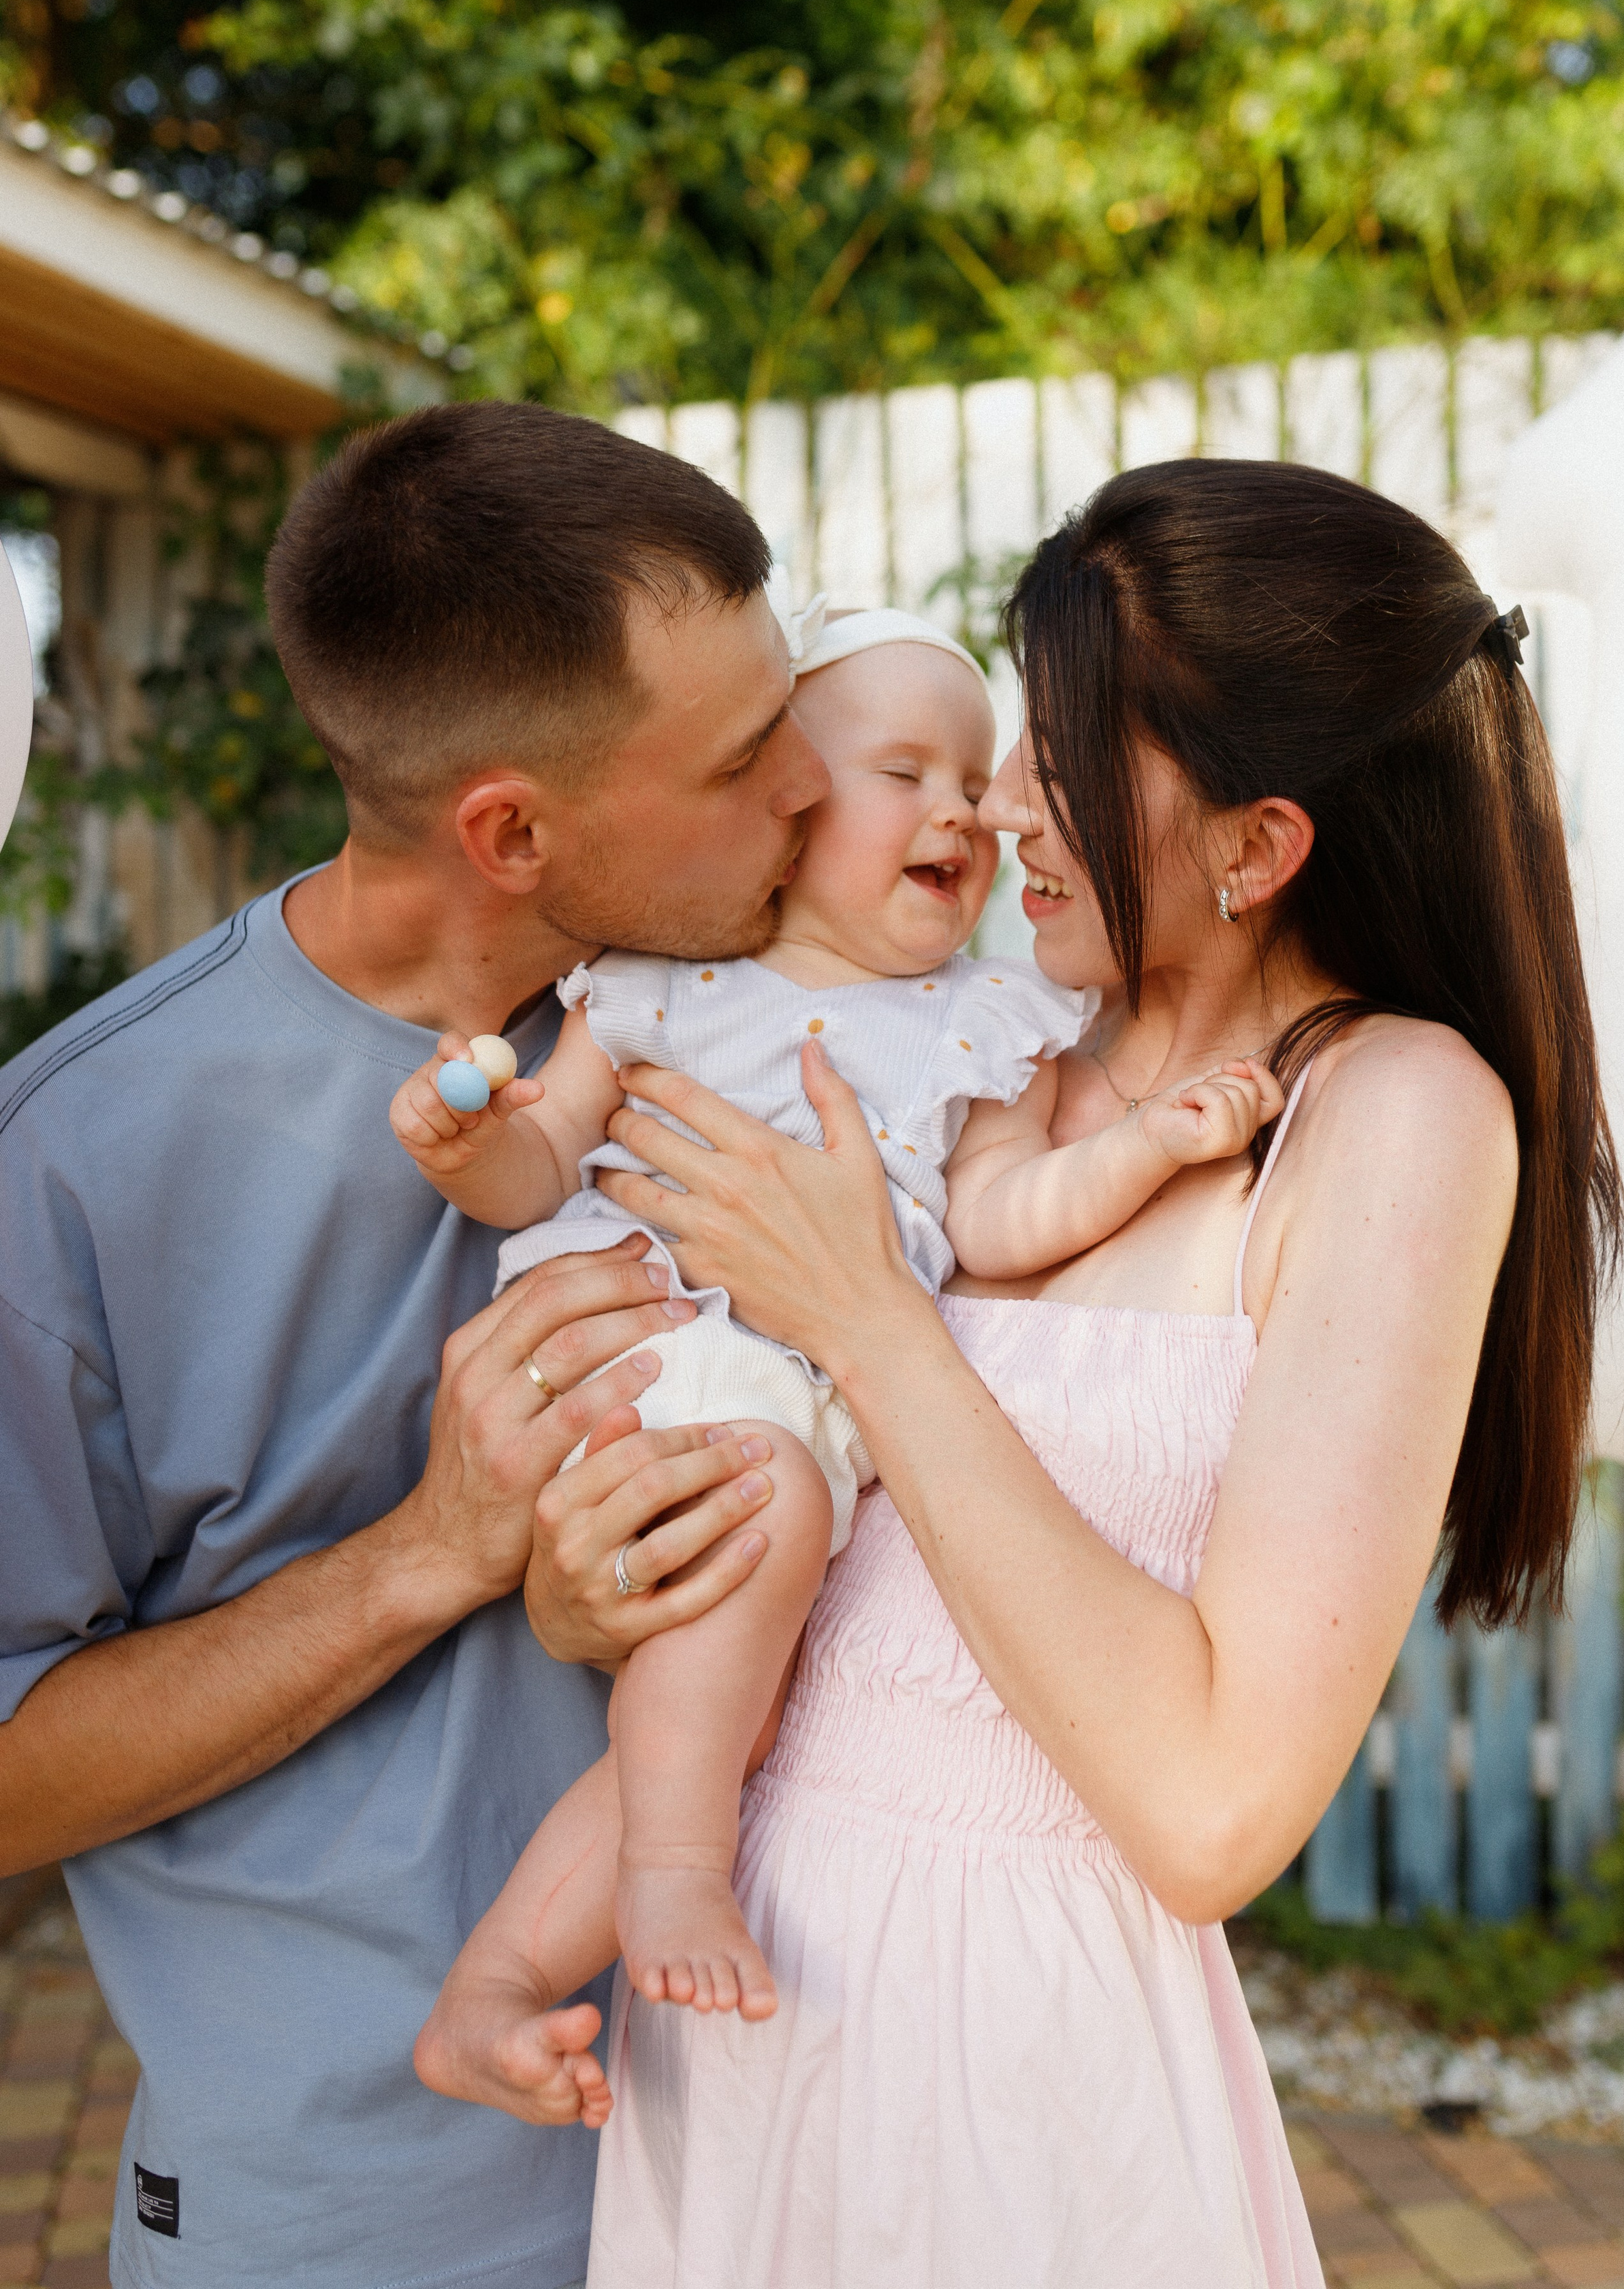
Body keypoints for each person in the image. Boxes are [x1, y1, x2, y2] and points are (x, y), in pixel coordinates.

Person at [548, 460, 1624, 2288]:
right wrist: (581, 1573)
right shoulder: (987, 1046)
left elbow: (1211, 1815)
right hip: (731, 2029)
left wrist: (871, 1326)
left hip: (1015, 2078)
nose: (999, 810)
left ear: (1255, 845)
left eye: (1057, 762)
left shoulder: (1388, 1116)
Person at [0, 400, 837, 2289]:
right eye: (740, 757)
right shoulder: (72, 1165)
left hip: (800, 2160)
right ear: (511, 830)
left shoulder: (788, 1014)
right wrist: (430, 1553)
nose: (810, 783)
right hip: (383, 2223)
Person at [396, 605, 1276, 2096]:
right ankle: (677, 1878)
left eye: (975, 781)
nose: (967, 812)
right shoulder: (661, 982)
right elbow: (540, 1162)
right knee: (763, 1544)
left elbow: (998, 1217)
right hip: (648, 1351)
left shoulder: (987, 1024)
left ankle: (497, 1983)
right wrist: (465, 1142)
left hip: (797, 1399)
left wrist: (1142, 1148)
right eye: (906, 774)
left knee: (725, 1712)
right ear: (789, 802)